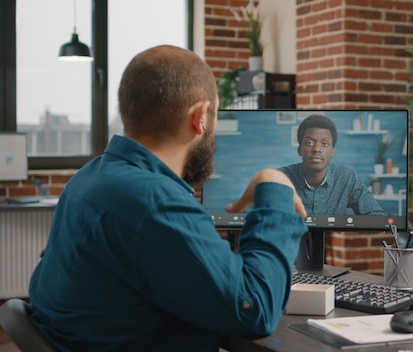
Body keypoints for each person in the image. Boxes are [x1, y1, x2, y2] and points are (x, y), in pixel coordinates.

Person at [27, 45, 308, 351]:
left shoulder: (90, 177)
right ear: (200, 117)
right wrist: (274, 189)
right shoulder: (154, 204)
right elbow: (254, 309)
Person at [278, 114, 386, 216]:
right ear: (299, 150)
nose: (317, 149)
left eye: (324, 144)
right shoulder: (282, 178)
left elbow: (377, 216)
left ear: (332, 151)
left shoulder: (346, 178)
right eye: (309, 143)